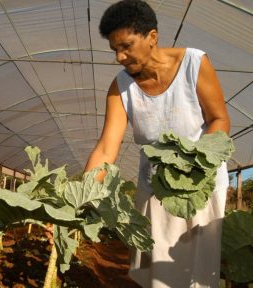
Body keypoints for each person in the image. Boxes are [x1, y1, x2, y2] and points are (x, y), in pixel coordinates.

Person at [84, 0, 230, 287]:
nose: (120, 57)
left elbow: (219, 119)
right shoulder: (121, 87)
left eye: (126, 46)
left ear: (152, 37)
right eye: (115, 49)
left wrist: (193, 163)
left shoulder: (193, 63)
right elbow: (105, 149)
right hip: (154, 188)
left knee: (198, 273)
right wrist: (82, 195)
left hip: (201, 184)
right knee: (155, 272)